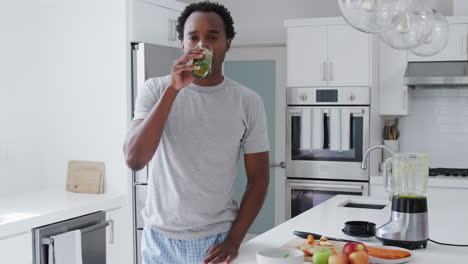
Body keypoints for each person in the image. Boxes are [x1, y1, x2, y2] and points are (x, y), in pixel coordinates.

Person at [123, 1, 270, 264]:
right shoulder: (155, 89)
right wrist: (173, 90)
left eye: (212, 37)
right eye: (193, 37)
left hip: (215, 241)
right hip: (159, 241)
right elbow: (135, 159)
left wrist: (234, 240)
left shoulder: (248, 102)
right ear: (182, 44)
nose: (202, 45)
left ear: (227, 43)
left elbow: (259, 179)